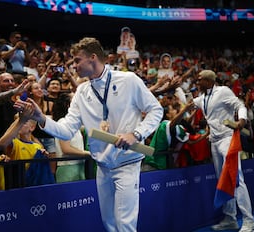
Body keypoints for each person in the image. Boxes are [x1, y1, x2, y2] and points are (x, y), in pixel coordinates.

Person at [17, 37, 163, 231]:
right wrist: (40, 117)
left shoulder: (129, 80)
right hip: (102, 166)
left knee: (125, 223)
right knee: (109, 222)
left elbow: (156, 110)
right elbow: (66, 129)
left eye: (77, 60)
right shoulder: (81, 92)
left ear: (93, 57)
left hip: (127, 162)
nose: (73, 65)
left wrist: (136, 134)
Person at [192, 70, 254, 232]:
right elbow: (190, 103)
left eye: (199, 80)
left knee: (236, 179)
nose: (197, 82)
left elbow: (239, 105)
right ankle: (230, 219)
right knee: (223, 181)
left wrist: (241, 120)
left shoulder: (223, 91)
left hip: (228, 139)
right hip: (214, 142)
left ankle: (250, 222)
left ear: (208, 81)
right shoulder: (204, 98)